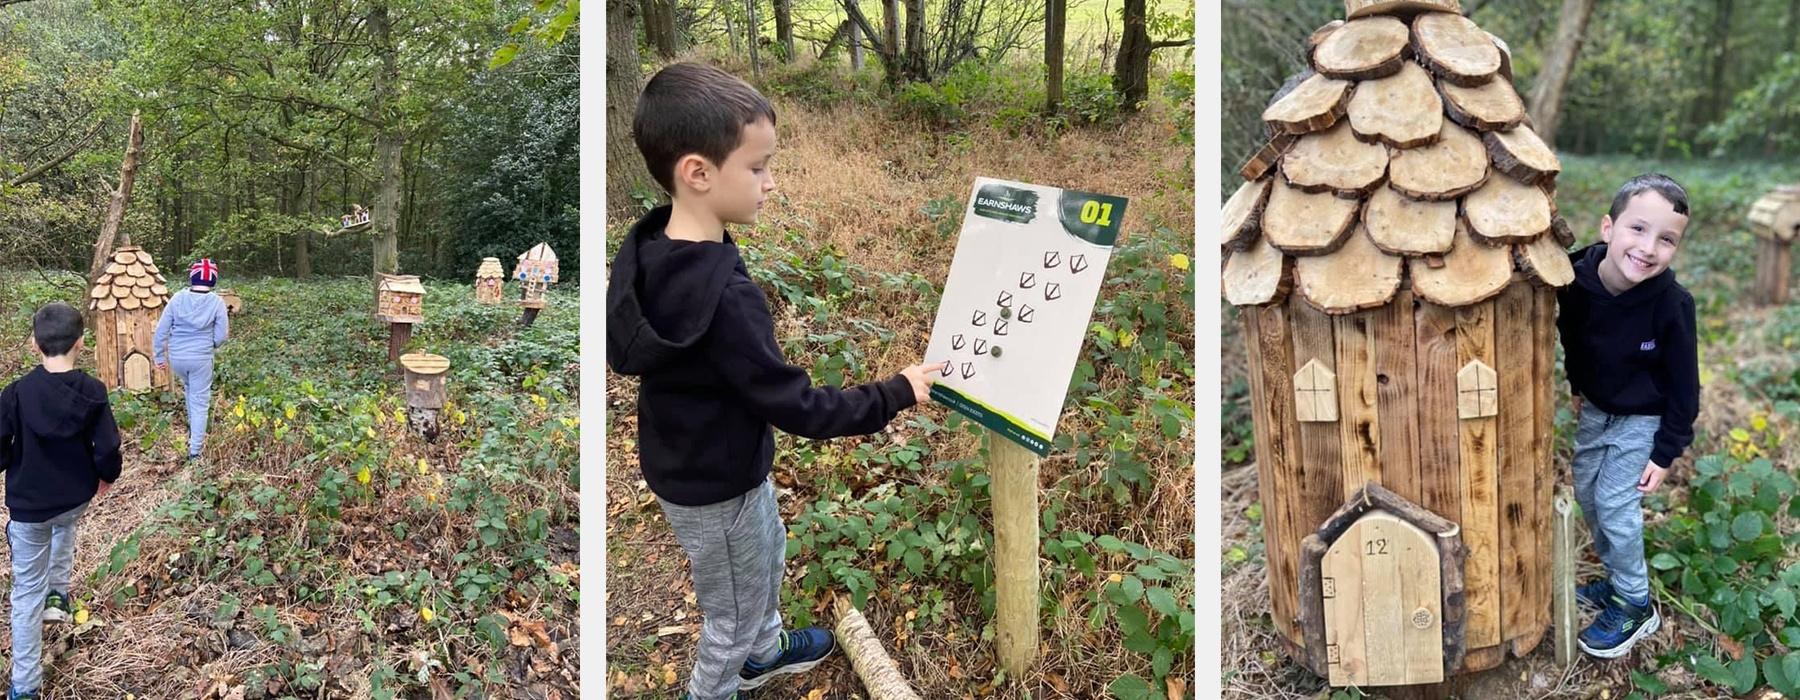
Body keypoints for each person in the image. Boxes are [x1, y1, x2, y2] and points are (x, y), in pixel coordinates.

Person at [606, 62, 945, 700]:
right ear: (699, 172)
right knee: (729, 618)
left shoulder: (650, 249)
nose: (770, 183)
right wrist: (895, 391)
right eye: (757, 168)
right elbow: (798, 404)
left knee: (767, 551)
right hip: (715, 486)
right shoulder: (727, 298)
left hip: (702, 464)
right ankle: (723, 679)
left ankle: (766, 651)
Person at [1556, 173, 1699, 659]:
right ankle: (1617, 581)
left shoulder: (1672, 305)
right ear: (1607, 228)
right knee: (1588, 495)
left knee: (1616, 506)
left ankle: (1637, 603)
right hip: (1598, 411)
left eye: (1666, 239)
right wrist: (1578, 389)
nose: (1648, 247)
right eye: (1637, 229)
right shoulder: (1571, 280)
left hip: (1645, 419)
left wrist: (1666, 451)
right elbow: (1572, 341)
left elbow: (1684, 385)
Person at [0, 302, 122, 700]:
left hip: (29, 506)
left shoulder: (16, 394)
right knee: (65, 528)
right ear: (81, 343)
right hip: (75, 496)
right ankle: (59, 594)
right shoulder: (93, 391)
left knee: (25, 592)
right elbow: (107, 448)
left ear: (36, 343)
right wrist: (106, 477)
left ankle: (25, 686)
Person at [153, 258, 231, 462]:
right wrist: (210, 344)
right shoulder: (217, 302)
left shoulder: (177, 298)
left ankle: (192, 431)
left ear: (192, 277)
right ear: (213, 280)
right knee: (200, 401)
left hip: (177, 358)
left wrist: (159, 356)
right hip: (201, 358)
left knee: (189, 391)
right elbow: (222, 335)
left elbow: (161, 330)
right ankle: (195, 451)